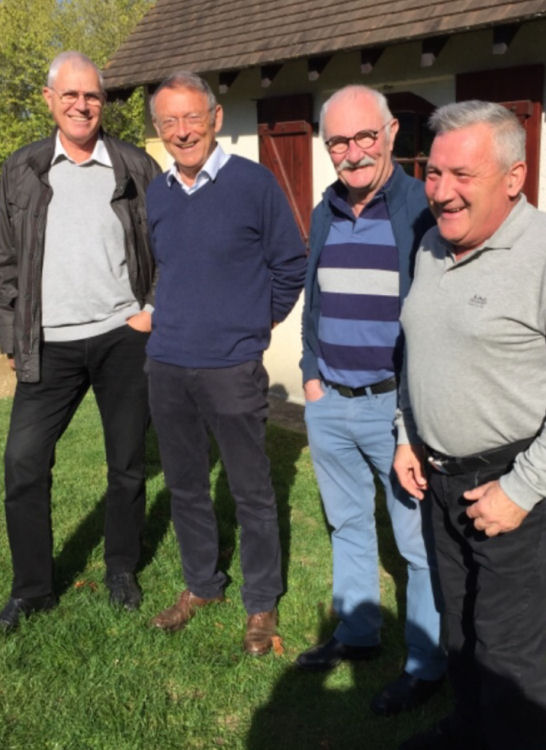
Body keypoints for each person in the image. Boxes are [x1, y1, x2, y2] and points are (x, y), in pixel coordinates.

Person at [394, 100, 546, 750]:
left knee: (510, 653)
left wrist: (521, 489)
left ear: (514, 178)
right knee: (458, 627)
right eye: (433, 172)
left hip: (515, 488)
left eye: (462, 175)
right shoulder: (432, 243)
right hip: (440, 481)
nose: (441, 191)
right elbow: (418, 347)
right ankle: (467, 731)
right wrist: (407, 431)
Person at [145, 71, 306, 655]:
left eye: (192, 117)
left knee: (251, 489)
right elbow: (164, 267)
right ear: (158, 129)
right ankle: (202, 585)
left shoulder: (253, 184)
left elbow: (291, 264)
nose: (182, 131)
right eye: (169, 121)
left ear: (214, 118)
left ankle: (260, 602)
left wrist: (255, 325)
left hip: (232, 367)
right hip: (167, 364)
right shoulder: (158, 193)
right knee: (187, 485)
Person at [297, 84, 445, 714]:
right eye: (338, 141)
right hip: (330, 400)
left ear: (390, 135)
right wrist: (310, 374)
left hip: (395, 410)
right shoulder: (326, 209)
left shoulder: (422, 210)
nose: (353, 152)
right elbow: (316, 298)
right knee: (347, 524)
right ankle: (358, 635)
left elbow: (434, 320)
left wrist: (411, 413)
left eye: (364, 136)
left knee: (416, 543)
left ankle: (426, 664)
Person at [0, 51, 160, 633]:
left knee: (127, 464)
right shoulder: (21, 169)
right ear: (50, 100)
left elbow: (169, 244)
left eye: (91, 95)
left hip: (123, 338)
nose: (81, 105)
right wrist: (12, 334)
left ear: (103, 101)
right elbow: (4, 261)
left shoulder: (135, 166)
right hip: (48, 343)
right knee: (23, 463)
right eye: (69, 94)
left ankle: (121, 568)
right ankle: (32, 590)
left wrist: (151, 310)